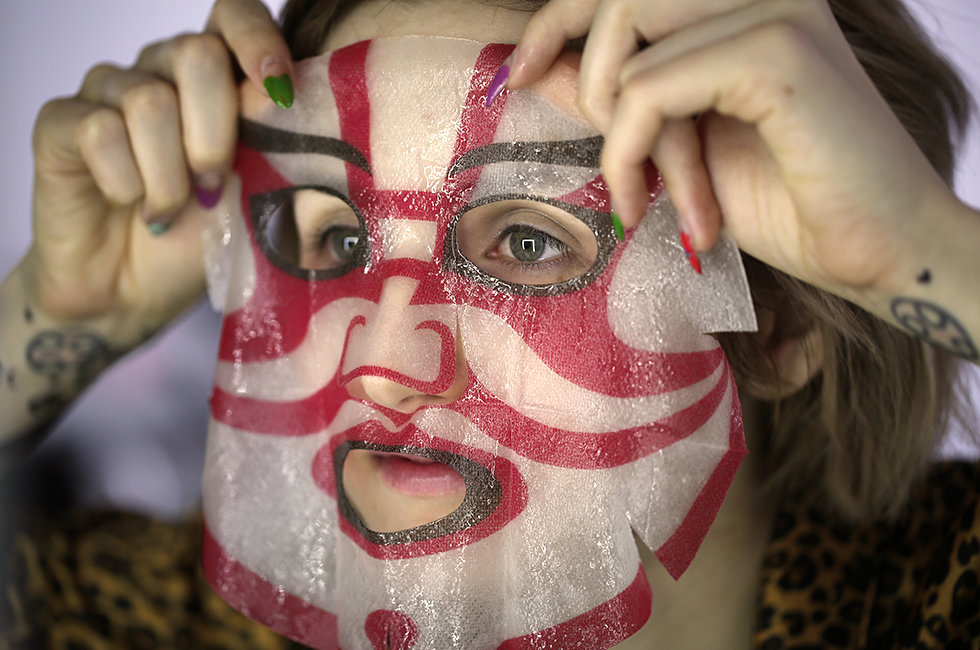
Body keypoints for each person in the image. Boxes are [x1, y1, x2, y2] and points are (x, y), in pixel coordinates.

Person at [1, 0, 978, 648]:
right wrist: (52, 313)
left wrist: (917, 251)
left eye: (524, 241)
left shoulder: (941, 598)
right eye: (335, 240)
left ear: (777, 322)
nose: (383, 363)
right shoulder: (146, 619)